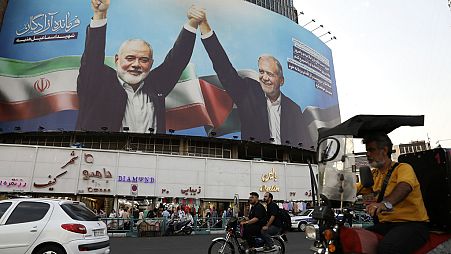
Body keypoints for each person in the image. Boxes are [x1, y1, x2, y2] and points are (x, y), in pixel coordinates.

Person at [77, 0, 202, 133]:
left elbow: (177, 61)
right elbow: (92, 57)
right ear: (117, 60)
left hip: (150, 153)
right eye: (130, 58)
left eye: (143, 60)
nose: (136, 65)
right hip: (105, 153)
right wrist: (99, 14)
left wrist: (193, 23)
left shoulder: (156, 85)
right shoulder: (98, 82)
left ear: (151, 64)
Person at [193, 10, 309, 145]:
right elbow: (224, 69)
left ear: (281, 80)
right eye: (261, 72)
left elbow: (304, 142)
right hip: (253, 160)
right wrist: (206, 29)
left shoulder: (293, 109)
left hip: (287, 161)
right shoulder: (248, 92)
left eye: (270, 74)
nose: (264, 77)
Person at [358, 132, 429, 254]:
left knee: (388, 248)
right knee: (356, 239)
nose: (367, 154)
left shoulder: (403, 168)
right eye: (367, 151)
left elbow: (404, 186)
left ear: (384, 150)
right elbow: (354, 189)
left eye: (371, 150)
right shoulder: (373, 175)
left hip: (411, 224)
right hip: (386, 225)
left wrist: (384, 204)